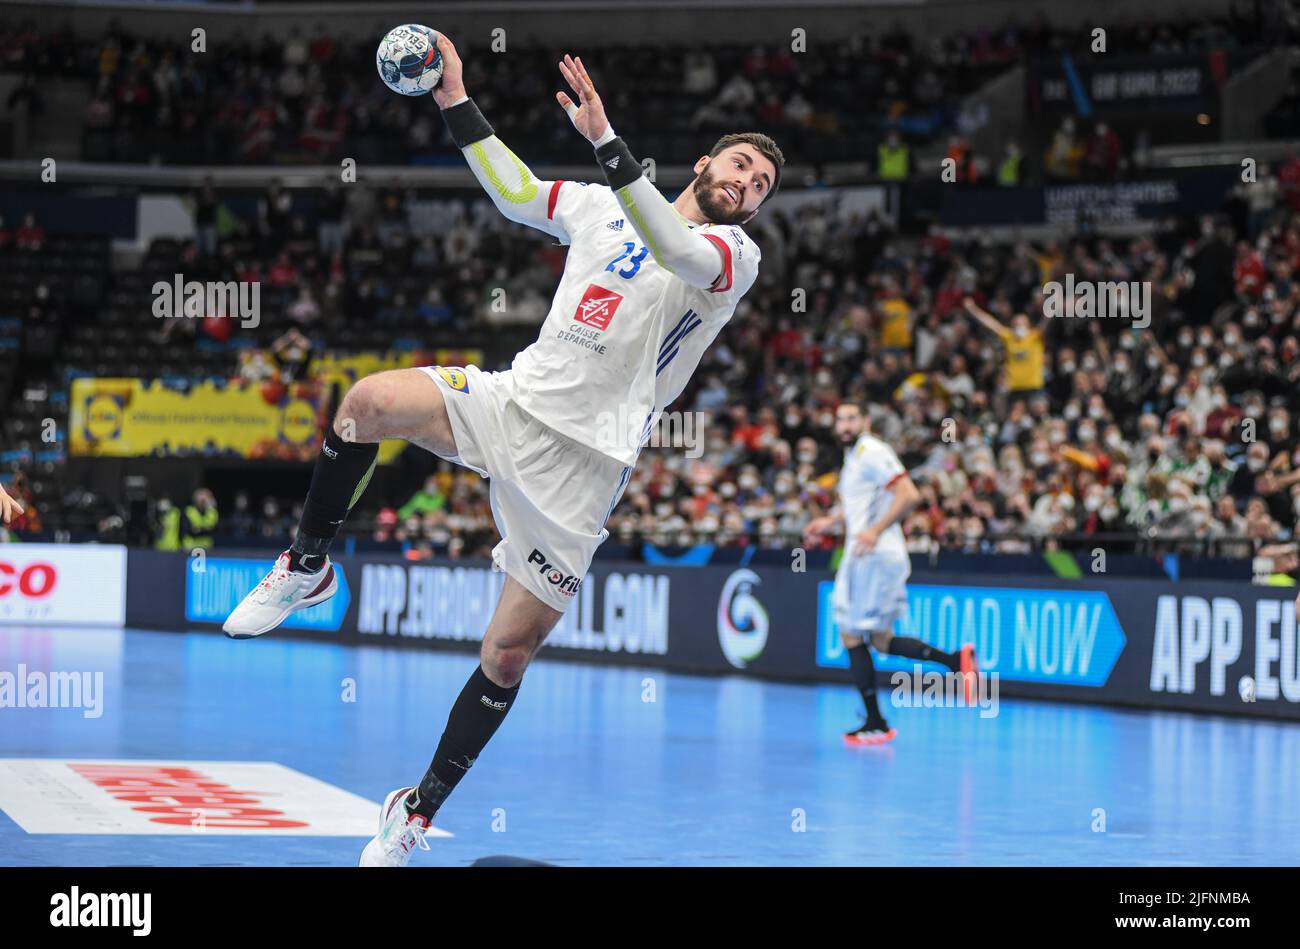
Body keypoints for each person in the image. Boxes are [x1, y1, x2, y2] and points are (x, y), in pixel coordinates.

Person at [220, 34, 783, 867]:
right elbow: (518, 190)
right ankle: (307, 564)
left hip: (587, 466)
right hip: (514, 401)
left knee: (507, 656)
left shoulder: (736, 257)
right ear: (705, 162)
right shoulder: (598, 205)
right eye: (739, 166)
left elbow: (676, 249)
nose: (746, 184)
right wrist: (454, 97)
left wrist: (605, 139)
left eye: (761, 185)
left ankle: (414, 809)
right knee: (367, 402)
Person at [803, 402, 978, 745]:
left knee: (851, 635)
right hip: (867, 556)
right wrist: (832, 521)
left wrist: (874, 530)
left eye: (852, 417)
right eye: (840, 418)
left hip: (875, 556)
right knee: (879, 640)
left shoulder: (872, 451)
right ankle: (955, 661)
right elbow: (861, 504)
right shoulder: (854, 457)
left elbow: (908, 494)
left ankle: (875, 721)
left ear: (865, 421)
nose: (845, 424)